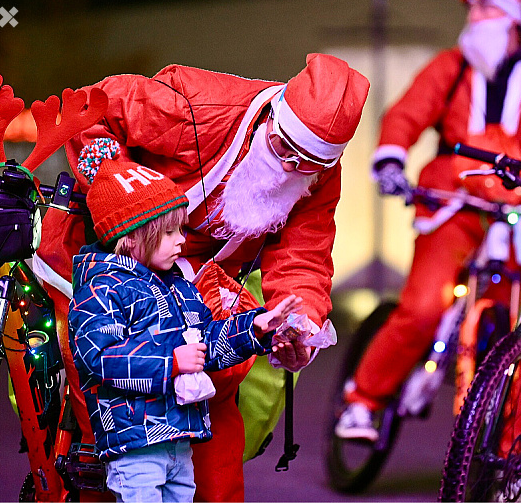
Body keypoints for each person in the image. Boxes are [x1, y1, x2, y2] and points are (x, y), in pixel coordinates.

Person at [34, 53, 370, 501]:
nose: (290, 167)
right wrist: (124, 194)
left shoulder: (318, 177)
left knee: (217, 385)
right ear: (270, 116)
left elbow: (303, 257)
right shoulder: (199, 106)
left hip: (195, 279)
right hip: (114, 246)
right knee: (102, 383)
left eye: (308, 162)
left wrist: (300, 321)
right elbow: (98, 107)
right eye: (284, 147)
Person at [335, 0, 521, 441]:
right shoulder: (450, 66)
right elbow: (407, 112)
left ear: (514, 19)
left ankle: (509, 458)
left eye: (488, 8)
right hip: (453, 208)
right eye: (472, 10)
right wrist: (391, 159)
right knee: (420, 309)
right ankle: (362, 400)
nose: (475, 17)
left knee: (511, 335)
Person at [68, 149, 303, 501]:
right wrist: (172, 362)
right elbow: (100, 359)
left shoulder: (180, 288)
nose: (182, 239)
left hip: (180, 441)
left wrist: (255, 329)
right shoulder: (100, 291)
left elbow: (207, 342)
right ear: (130, 237)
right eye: (169, 232)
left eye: (181, 228)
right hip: (136, 446)